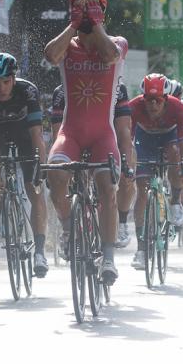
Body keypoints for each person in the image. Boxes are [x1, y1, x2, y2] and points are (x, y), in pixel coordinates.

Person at [43, 0, 127, 285]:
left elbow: (109, 56)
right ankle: (67, 227)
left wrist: (96, 23)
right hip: (72, 132)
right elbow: (51, 55)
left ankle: (108, 256)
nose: (87, 16)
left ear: (102, 13)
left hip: (103, 135)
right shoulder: (67, 45)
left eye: (92, 9)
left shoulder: (117, 42)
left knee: (106, 187)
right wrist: (74, 25)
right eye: (80, 9)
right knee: (54, 174)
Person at [0, 53, 50, 276]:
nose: (1, 88)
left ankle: (40, 252)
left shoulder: (28, 91)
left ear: (14, 79)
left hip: (24, 134)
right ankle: (0, 212)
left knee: (35, 191)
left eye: (6, 82)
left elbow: (36, 135)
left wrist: (41, 167)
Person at [50, 80, 135, 249]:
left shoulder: (118, 88)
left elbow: (123, 132)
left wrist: (126, 164)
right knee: (61, 176)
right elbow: (57, 134)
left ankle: (115, 226)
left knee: (111, 184)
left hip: (106, 140)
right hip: (73, 141)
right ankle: (69, 230)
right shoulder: (62, 91)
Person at [128, 74, 183, 269]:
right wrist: (128, 166)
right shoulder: (133, 107)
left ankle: (175, 202)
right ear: (143, 98)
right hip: (144, 139)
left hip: (169, 138)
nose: (153, 105)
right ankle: (140, 249)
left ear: (166, 99)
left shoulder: (180, 108)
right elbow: (126, 142)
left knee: (174, 154)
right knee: (142, 191)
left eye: (158, 101)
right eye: (149, 100)